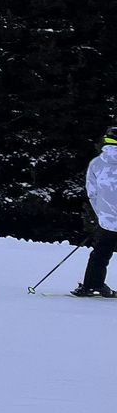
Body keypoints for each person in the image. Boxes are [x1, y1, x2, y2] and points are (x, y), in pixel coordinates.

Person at [72, 126, 117, 298]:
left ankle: (92, 285)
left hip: (108, 219)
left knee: (100, 254)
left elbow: (92, 193)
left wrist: (102, 214)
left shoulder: (96, 163)